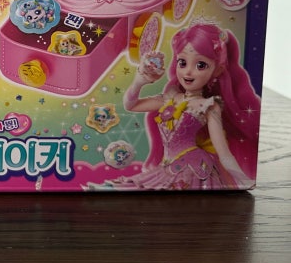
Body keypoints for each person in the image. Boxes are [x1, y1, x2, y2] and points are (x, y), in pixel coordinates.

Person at [89, 23, 260, 190]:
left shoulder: (207, 106)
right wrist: (139, 82)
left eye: (201, 65)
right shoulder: (170, 98)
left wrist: (244, 180)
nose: (188, 72)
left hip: (193, 168)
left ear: (217, 70)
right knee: (131, 186)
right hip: (168, 166)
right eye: (182, 62)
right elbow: (130, 105)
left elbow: (223, 153)